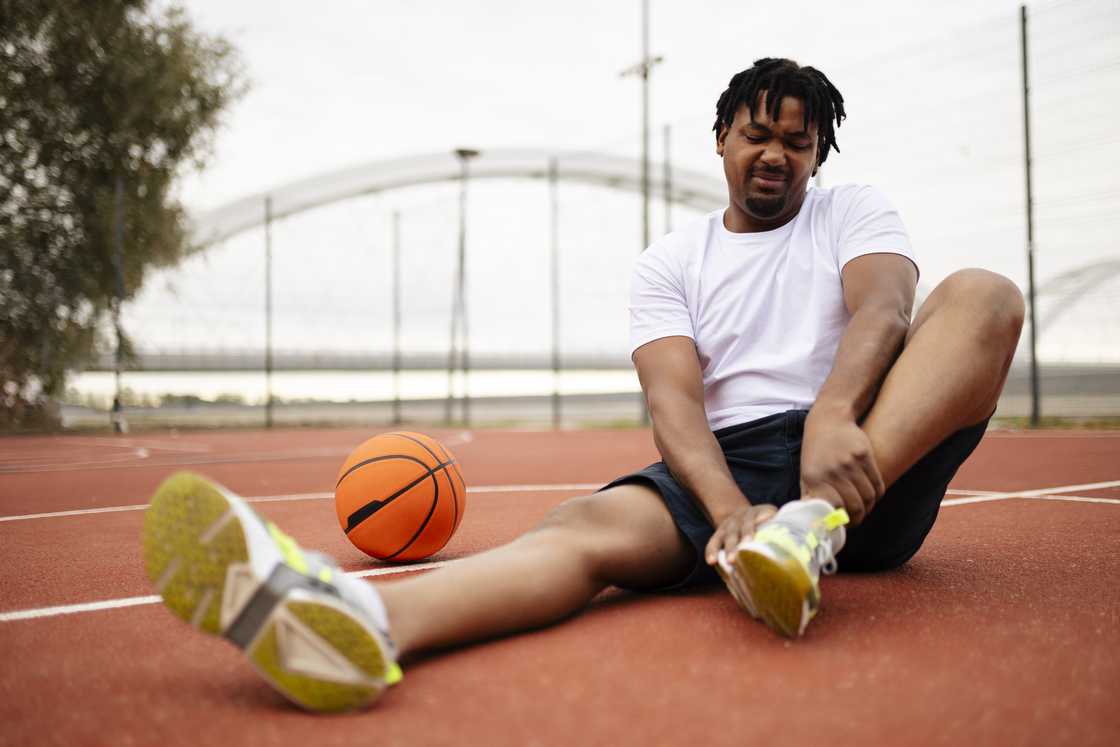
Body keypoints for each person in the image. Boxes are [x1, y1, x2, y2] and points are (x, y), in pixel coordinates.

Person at [142, 58, 1025, 712]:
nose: (775, 154)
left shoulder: (852, 211)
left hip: (867, 445)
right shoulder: (671, 261)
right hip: (736, 463)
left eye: (798, 143)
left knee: (984, 295)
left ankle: (808, 529)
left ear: (818, 156)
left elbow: (884, 308)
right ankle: (360, 621)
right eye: (758, 134)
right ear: (721, 138)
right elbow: (675, 405)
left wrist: (834, 416)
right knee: (579, 527)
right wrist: (727, 513)